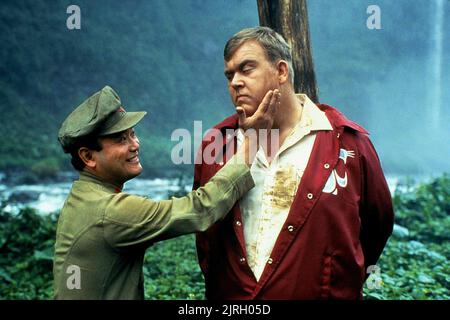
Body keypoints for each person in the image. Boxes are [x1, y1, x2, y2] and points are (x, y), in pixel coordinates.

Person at [194, 26, 394, 299]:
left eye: (246, 69)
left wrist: (331, 279)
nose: (235, 82)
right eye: (230, 75)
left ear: (281, 72)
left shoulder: (348, 143)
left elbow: (376, 225)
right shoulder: (216, 145)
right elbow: (205, 236)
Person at [53, 85, 280, 299]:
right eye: (122, 139)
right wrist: (252, 142)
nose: (135, 144)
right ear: (88, 157)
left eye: (133, 134)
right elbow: (200, 209)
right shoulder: (109, 212)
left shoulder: (82, 196)